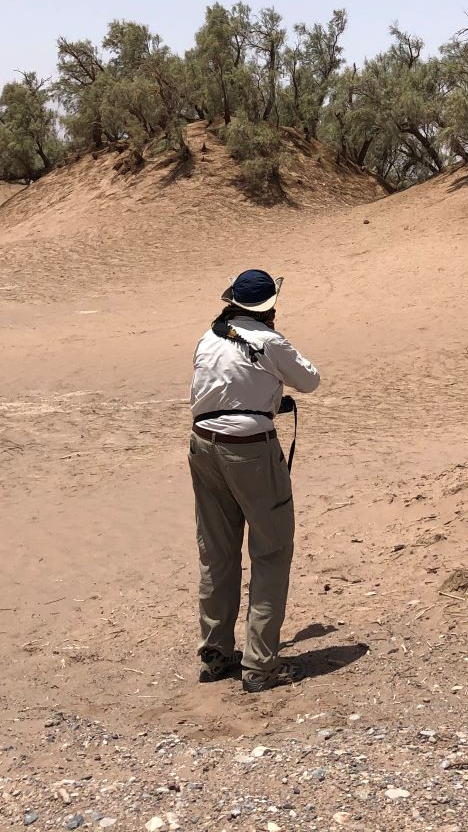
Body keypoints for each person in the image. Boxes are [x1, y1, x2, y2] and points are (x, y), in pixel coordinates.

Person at [188, 268, 320, 693]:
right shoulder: (269, 341)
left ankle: (216, 653)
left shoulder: (209, 337)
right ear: (269, 307)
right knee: (271, 550)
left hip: (203, 445)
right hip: (251, 450)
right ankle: (261, 664)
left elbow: (219, 389)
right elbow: (310, 380)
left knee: (217, 552)